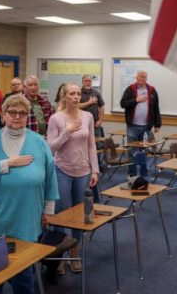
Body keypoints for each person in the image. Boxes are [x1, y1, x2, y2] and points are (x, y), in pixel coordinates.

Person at [0, 96, 59, 294]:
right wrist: (6, 163)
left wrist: (49, 210)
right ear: (3, 115)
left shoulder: (39, 142)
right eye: (12, 112)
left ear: (28, 116)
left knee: (24, 277)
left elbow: (51, 177)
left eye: (22, 113)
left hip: (28, 218)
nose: (17, 117)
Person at [47, 82, 99, 274]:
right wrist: (67, 132)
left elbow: (92, 144)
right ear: (64, 96)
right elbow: (50, 148)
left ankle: (74, 252)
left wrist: (95, 170)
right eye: (72, 94)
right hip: (61, 170)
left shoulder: (88, 116)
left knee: (79, 214)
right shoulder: (56, 119)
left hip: (83, 171)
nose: (77, 97)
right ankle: (58, 254)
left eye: (78, 94)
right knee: (61, 213)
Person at [120, 70, 162, 177]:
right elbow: (123, 103)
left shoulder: (152, 91)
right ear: (136, 78)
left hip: (146, 127)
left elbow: (156, 108)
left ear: (146, 79)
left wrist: (157, 124)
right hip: (132, 126)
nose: (142, 78)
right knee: (131, 150)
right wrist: (136, 100)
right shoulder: (130, 89)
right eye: (140, 77)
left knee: (144, 150)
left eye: (144, 77)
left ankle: (143, 172)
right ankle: (132, 172)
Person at [78, 75, 105, 162]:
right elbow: (76, 106)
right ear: (82, 82)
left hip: (95, 124)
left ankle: (98, 164)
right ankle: (85, 163)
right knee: (82, 144)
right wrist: (89, 102)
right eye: (86, 81)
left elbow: (102, 107)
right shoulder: (78, 93)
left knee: (96, 145)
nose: (88, 82)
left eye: (89, 81)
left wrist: (100, 120)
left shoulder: (96, 93)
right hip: (81, 125)